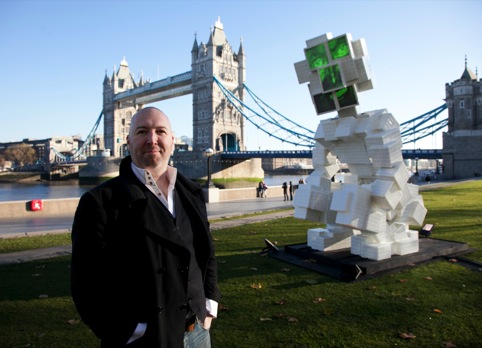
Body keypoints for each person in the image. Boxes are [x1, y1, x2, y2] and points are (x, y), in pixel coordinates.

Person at [71, 107, 221, 348]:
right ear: (128, 141)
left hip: (198, 333)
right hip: (145, 339)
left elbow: (206, 252)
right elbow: (85, 284)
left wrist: (210, 304)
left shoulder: (191, 192)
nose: (152, 139)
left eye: (160, 131)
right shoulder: (100, 202)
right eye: (142, 131)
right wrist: (129, 332)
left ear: (172, 140)